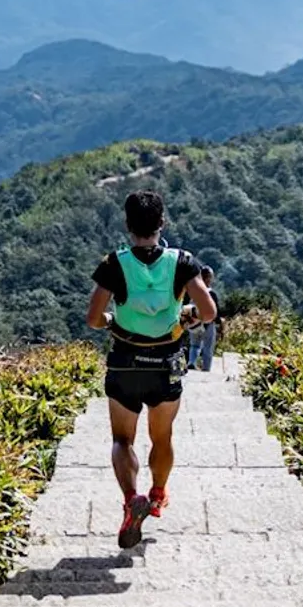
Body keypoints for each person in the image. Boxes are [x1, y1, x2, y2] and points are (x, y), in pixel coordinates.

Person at [86, 189, 216, 549]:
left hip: (126, 363)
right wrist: (185, 315)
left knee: (121, 440)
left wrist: (113, 319)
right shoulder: (183, 262)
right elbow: (208, 313)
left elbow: (94, 319)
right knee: (162, 438)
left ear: (128, 225)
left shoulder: (114, 264)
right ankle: (157, 494)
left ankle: (132, 500)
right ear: (162, 222)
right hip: (166, 364)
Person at [187, 264, 220, 372]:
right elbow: (215, 311)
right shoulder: (211, 293)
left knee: (194, 345)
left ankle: (191, 362)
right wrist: (219, 323)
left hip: (193, 323)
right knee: (208, 347)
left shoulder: (193, 291)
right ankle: (206, 369)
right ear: (208, 278)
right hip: (208, 324)